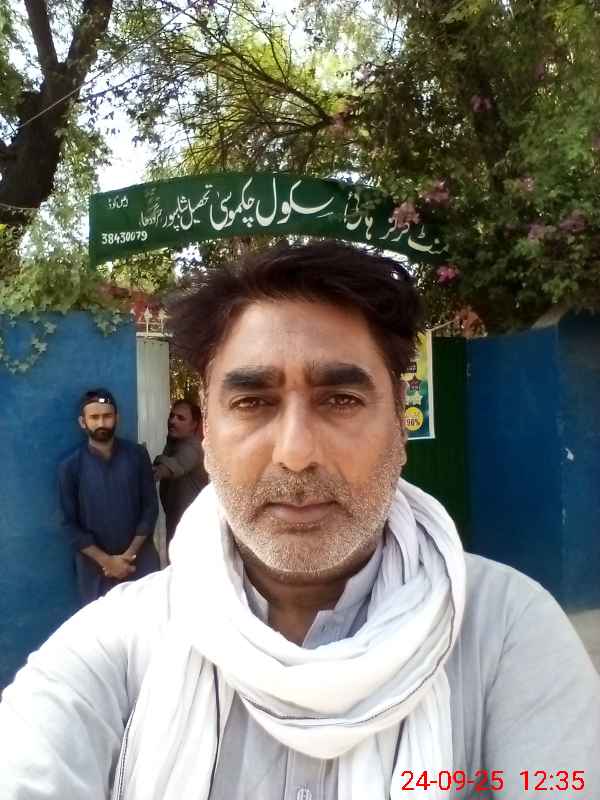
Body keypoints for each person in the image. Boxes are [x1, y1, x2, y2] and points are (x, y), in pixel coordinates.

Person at [1, 242, 599, 799]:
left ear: (400, 424)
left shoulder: (507, 633)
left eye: (341, 400)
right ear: (208, 432)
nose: (294, 452)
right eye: (252, 402)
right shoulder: (114, 644)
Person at [57, 388, 160, 605]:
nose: (101, 423)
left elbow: (150, 509)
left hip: (140, 564)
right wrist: (107, 562)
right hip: (95, 573)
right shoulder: (70, 467)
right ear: (83, 422)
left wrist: (128, 556)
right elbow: (69, 524)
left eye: (107, 416)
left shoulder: (137, 456)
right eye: (94, 417)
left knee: (147, 620)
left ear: (117, 418)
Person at [153, 399, 209, 548]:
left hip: (193, 530)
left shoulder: (193, 447)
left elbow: (173, 467)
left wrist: (152, 471)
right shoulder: (174, 443)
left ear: (194, 425)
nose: (173, 421)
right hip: (177, 523)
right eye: (172, 416)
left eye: (181, 418)